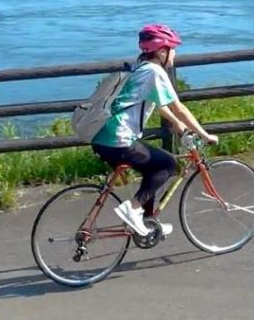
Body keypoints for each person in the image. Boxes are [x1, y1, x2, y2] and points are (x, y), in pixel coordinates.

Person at [91, 24, 218, 237]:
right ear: (162, 51)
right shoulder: (154, 71)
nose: (175, 54)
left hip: (103, 137)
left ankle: (147, 223)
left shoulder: (139, 68)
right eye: (173, 49)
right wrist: (205, 135)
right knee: (167, 163)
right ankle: (132, 210)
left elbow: (158, 103)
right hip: (119, 139)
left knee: (151, 168)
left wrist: (176, 123)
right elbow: (178, 106)